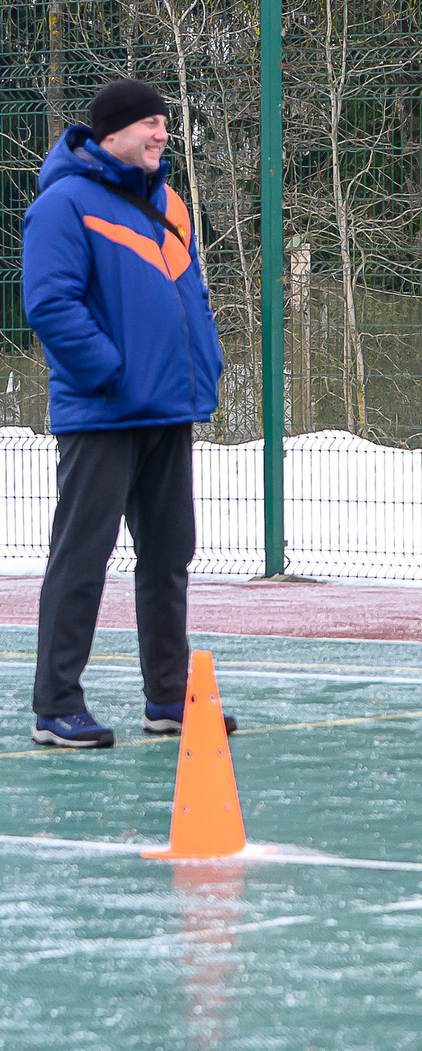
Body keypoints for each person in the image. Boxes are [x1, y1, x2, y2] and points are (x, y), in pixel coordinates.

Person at [22, 79, 227, 749]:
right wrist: (109, 373)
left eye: (165, 123)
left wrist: (209, 361)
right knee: (82, 556)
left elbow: (190, 290)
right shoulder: (64, 204)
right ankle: (56, 704)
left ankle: (168, 696)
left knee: (169, 554)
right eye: (149, 123)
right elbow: (50, 305)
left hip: (168, 409)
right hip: (103, 414)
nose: (162, 133)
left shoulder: (169, 203)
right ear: (110, 134)